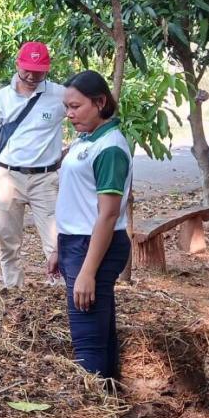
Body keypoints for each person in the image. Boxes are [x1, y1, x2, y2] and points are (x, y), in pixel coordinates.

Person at [47, 70, 134, 381]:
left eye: (76, 106)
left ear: (99, 102)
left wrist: (87, 271)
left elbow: (108, 214)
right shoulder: (88, 139)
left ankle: (94, 413)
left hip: (93, 245)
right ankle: (111, 400)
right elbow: (75, 199)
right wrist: (60, 246)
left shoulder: (110, 146)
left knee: (87, 340)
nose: (69, 114)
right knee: (100, 330)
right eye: (67, 107)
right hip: (76, 242)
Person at [0, 41, 68, 289]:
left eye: (38, 71)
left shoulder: (61, 95)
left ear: (47, 69)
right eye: (27, 69)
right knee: (9, 243)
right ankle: (14, 296)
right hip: (8, 177)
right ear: (17, 64)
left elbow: (84, 115)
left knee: (56, 242)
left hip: (46, 179)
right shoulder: (2, 98)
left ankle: (58, 295)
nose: (31, 76)